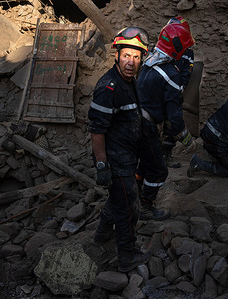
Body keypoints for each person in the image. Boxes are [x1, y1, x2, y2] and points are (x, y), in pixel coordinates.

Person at [87, 26, 151, 272]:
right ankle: (126, 256)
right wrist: (102, 165)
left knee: (118, 199)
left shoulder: (129, 82)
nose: (130, 62)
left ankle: (101, 235)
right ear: (117, 55)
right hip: (115, 159)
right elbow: (96, 129)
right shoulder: (108, 87)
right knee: (127, 207)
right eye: (126, 56)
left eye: (136, 57)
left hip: (126, 154)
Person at [136, 22, 196, 220]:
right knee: (158, 170)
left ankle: (133, 195)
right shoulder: (170, 75)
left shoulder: (148, 61)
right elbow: (175, 116)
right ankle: (144, 207)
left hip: (134, 120)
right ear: (178, 48)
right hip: (147, 126)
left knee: (143, 164)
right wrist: (186, 139)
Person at [160, 17, 195, 169]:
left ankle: (165, 156)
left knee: (171, 125)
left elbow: (186, 74)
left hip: (173, 93)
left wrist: (177, 89)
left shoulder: (187, 53)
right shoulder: (162, 48)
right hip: (158, 93)